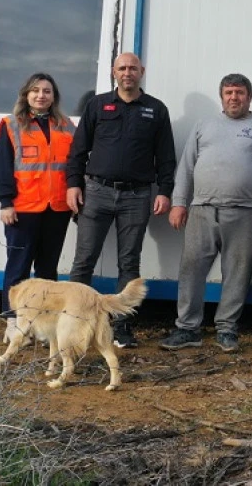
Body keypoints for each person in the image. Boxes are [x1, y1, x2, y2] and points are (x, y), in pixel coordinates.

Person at [159, 73, 252, 353]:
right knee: (191, 270)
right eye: (228, 92)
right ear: (221, 96)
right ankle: (187, 328)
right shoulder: (204, 125)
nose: (233, 97)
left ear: (250, 97)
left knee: (237, 274)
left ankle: (227, 330)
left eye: (239, 92)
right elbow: (187, 166)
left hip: (247, 213)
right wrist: (179, 202)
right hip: (202, 210)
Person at [66, 52, 176, 349]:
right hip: (96, 192)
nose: (128, 73)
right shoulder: (97, 105)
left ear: (142, 71)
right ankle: (75, 324)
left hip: (137, 195)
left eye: (133, 68)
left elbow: (166, 157)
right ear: (114, 72)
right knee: (84, 261)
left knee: (129, 263)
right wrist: (72, 185)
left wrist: (165, 191)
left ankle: (123, 328)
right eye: (122, 68)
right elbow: (78, 150)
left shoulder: (156, 109)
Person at [0, 73, 76, 344]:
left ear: (54, 97)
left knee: (47, 269)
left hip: (57, 208)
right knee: (18, 267)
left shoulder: (66, 126)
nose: (41, 96)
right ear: (26, 95)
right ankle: (13, 322)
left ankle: (42, 323)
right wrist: (6, 202)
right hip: (23, 208)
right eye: (36, 91)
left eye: (47, 91)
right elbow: (3, 167)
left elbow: (74, 165)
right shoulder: (11, 125)